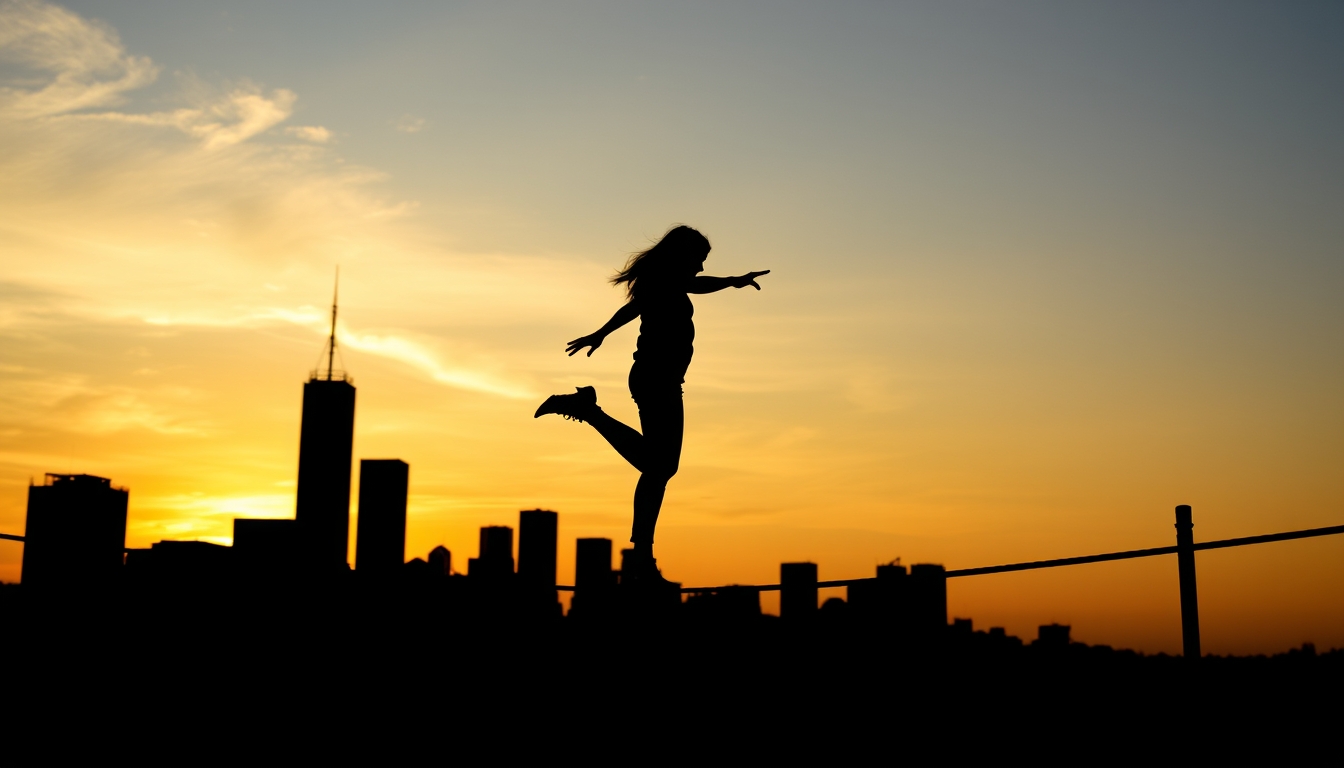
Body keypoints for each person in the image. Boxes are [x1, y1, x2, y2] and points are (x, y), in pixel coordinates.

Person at [534, 225, 769, 585]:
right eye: (699, 260)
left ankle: (642, 555)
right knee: (660, 468)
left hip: (662, 380)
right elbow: (633, 309)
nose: (701, 268)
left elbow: (699, 286)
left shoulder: (671, 282)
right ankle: (588, 412)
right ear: (682, 255)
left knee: (659, 468)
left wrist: (733, 281)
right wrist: (600, 333)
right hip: (656, 380)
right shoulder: (660, 283)